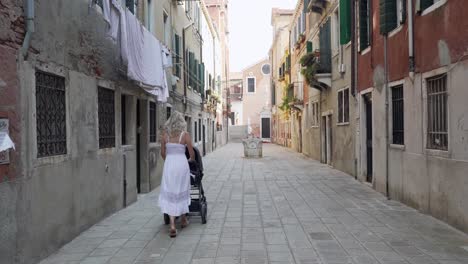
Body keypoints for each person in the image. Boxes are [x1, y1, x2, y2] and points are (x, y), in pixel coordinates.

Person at [159, 111, 195, 237]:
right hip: (181, 165)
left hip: (169, 164)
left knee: (170, 191)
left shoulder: (165, 136)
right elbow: (192, 155)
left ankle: (173, 224)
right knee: (181, 189)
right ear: (182, 122)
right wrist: (189, 160)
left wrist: (169, 160)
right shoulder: (185, 135)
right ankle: (184, 219)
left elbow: (162, 153)